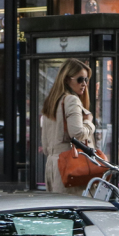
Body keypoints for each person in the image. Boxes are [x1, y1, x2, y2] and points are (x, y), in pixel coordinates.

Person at [40, 58, 96, 196]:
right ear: (66, 79)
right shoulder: (71, 99)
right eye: (80, 79)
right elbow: (76, 134)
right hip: (70, 167)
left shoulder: (52, 101)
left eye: (86, 80)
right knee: (76, 211)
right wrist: (89, 122)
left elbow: (46, 143)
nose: (84, 84)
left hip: (52, 166)